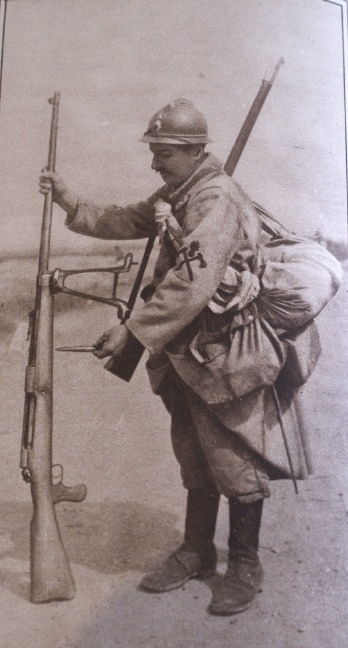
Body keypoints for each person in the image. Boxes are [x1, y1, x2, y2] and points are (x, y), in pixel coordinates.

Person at [39, 98, 320, 616]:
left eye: (163, 154)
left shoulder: (216, 199)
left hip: (224, 353)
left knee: (232, 457)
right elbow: (127, 218)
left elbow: (192, 282)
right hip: (183, 353)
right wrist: (69, 201)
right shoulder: (180, 190)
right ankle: (195, 551)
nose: (155, 163)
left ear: (192, 151)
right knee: (193, 453)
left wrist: (132, 331)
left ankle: (243, 564)